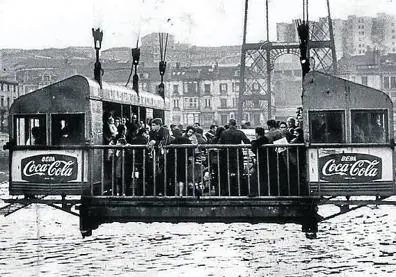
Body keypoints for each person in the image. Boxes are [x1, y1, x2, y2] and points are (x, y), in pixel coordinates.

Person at [218, 119, 250, 195]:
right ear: (235, 124)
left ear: (229, 124)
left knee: (227, 173)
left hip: (227, 156)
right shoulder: (240, 132)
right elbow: (247, 142)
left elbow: (219, 144)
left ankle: (228, 191)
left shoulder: (224, 133)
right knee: (239, 173)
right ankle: (239, 191)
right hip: (238, 155)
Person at [250, 127, 270, 196]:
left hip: (262, 161)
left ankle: (256, 192)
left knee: (256, 176)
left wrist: (252, 142)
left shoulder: (262, 139)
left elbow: (253, 146)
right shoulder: (265, 139)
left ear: (257, 133)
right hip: (264, 160)